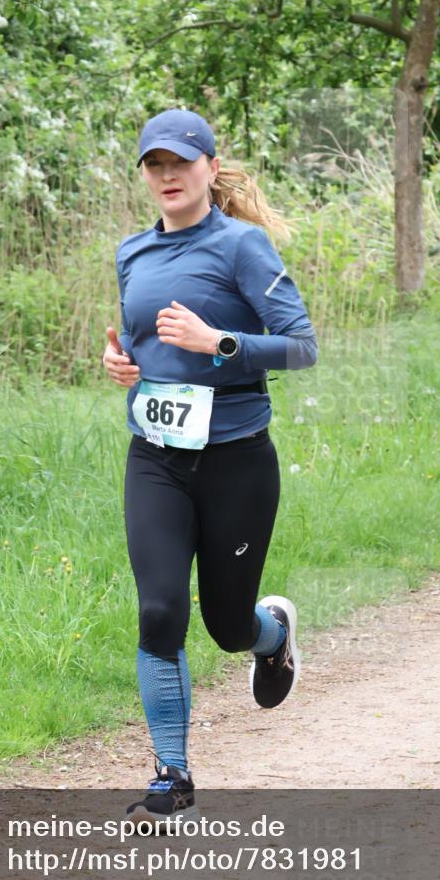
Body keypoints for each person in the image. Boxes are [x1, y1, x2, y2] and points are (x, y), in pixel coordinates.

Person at [102, 108, 318, 828]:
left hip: (234, 462)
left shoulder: (241, 246)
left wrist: (219, 341)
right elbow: (144, 348)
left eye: (180, 162)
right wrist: (123, 366)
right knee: (160, 611)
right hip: (155, 459)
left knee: (226, 625)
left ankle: (272, 636)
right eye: (154, 164)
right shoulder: (132, 253)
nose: (167, 175)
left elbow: (300, 347)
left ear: (210, 168)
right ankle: (172, 776)